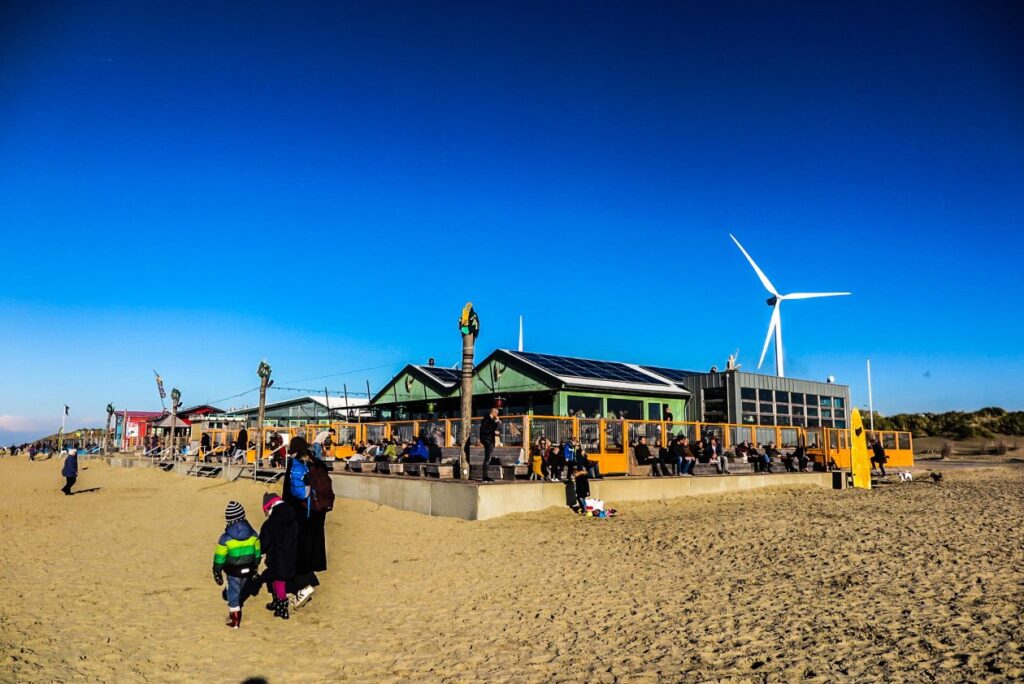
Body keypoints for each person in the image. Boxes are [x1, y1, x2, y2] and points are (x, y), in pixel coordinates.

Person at [283, 438, 329, 609]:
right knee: (312, 548)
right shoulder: (319, 463)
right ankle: (307, 578)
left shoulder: (295, 464)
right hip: (318, 514)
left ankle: (301, 589)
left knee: (296, 551)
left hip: (299, 514)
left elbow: (288, 493)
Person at [212, 501, 261, 629]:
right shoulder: (253, 534)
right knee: (241, 588)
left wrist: (216, 571)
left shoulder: (225, 538)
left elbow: (220, 558)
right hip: (248, 568)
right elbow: (257, 553)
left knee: (233, 592)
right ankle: (238, 601)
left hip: (233, 571)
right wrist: (255, 566)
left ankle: (234, 620)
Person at [259, 493, 298, 620]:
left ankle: (282, 608)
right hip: (291, 554)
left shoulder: (270, 524)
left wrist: (260, 552)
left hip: (276, 557)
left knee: (278, 581)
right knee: (276, 579)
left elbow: (263, 543)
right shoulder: (293, 518)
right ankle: (277, 603)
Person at [479, 408, 500, 482]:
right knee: (487, 459)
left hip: (490, 440)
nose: (497, 414)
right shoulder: (486, 419)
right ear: (493, 412)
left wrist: (496, 423)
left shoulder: (491, 420)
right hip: (487, 440)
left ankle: (486, 476)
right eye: (496, 413)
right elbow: (486, 430)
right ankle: (484, 477)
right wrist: (496, 423)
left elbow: (492, 429)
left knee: (488, 458)